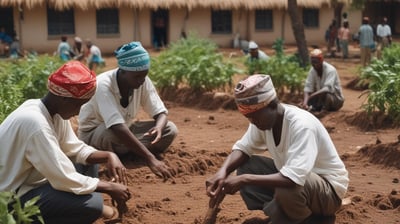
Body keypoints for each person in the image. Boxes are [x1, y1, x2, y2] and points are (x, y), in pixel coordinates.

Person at [205, 74, 349, 223]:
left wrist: (244, 180)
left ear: (273, 105)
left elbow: (293, 179)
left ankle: (311, 220)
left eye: (255, 117)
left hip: (328, 193)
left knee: (287, 187)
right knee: (247, 166)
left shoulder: (302, 126)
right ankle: (284, 215)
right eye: (249, 117)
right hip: (299, 184)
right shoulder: (263, 120)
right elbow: (243, 148)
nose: (252, 122)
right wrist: (222, 172)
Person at [0, 61, 131, 224]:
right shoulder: (35, 123)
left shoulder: (51, 113)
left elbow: (75, 149)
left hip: (32, 182)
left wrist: (109, 155)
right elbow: (62, 176)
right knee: (92, 206)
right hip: (10, 199)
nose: (78, 112)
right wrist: (109, 187)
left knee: (91, 162)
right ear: (64, 99)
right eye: (79, 105)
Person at [78, 41, 178, 180]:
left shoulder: (142, 80)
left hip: (125, 130)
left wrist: (159, 128)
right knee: (110, 133)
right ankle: (132, 153)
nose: (142, 81)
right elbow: (116, 126)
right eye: (137, 77)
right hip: (96, 134)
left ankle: (129, 152)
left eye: (144, 75)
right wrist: (150, 158)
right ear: (123, 71)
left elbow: (160, 112)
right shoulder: (103, 84)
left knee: (170, 129)